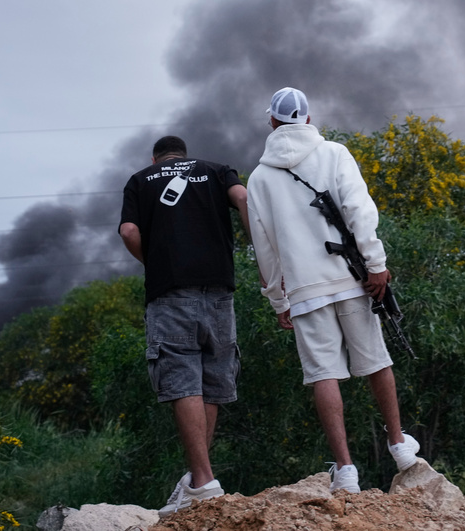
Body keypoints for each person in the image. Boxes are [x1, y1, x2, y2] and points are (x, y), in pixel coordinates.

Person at [246, 86, 420, 494]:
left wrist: (277, 299)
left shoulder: (258, 178)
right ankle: (399, 447)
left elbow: (264, 247)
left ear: (271, 121)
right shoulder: (335, 153)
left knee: (324, 374)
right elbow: (361, 211)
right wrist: (376, 265)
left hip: (305, 291)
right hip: (351, 277)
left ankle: (345, 471)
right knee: (376, 359)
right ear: (307, 119)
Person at [118, 135, 249, 517]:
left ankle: (204, 480)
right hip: (220, 290)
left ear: (155, 157)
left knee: (183, 380)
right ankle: (197, 481)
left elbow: (128, 231)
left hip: (171, 292)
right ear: (184, 154)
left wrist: (154, 263)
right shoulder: (216, 170)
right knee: (212, 379)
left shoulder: (141, 179)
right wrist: (264, 253)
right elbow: (243, 199)